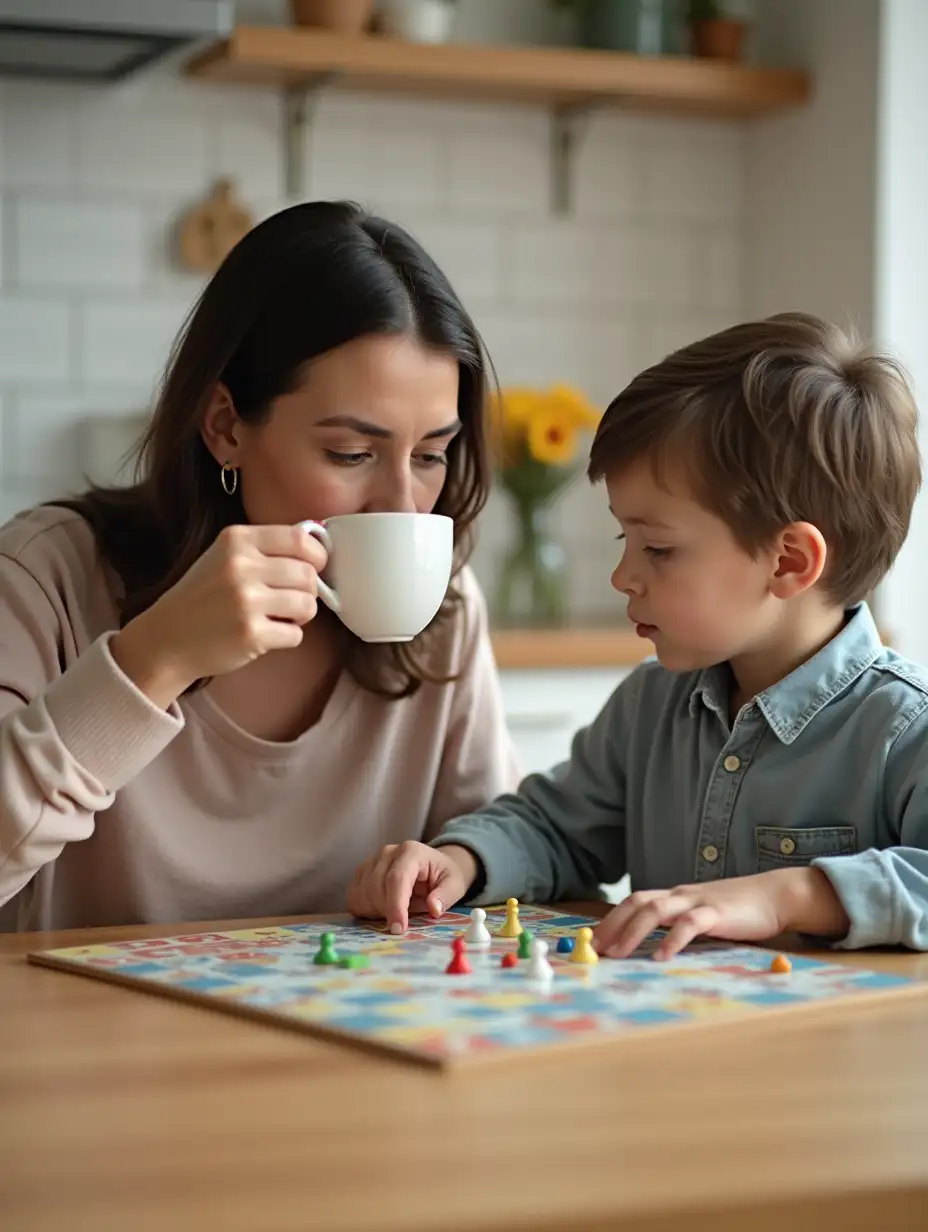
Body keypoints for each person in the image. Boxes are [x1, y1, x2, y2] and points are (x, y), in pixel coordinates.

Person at [0, 201, 519, 933]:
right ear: (225, 426)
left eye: (430, 454)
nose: (402, 504)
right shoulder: (46, 577)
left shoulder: (445, 608)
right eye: (351, 453)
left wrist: (459, 869)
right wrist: (153, 661)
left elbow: (498, 857)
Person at [350, 313, 928, 954]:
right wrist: (461, 861)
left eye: (659, 548)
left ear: (789, 560)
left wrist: (787, 895)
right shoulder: (650, 707)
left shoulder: (904, 730)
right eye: (628, 539)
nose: (623, 576)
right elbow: (555, 828)